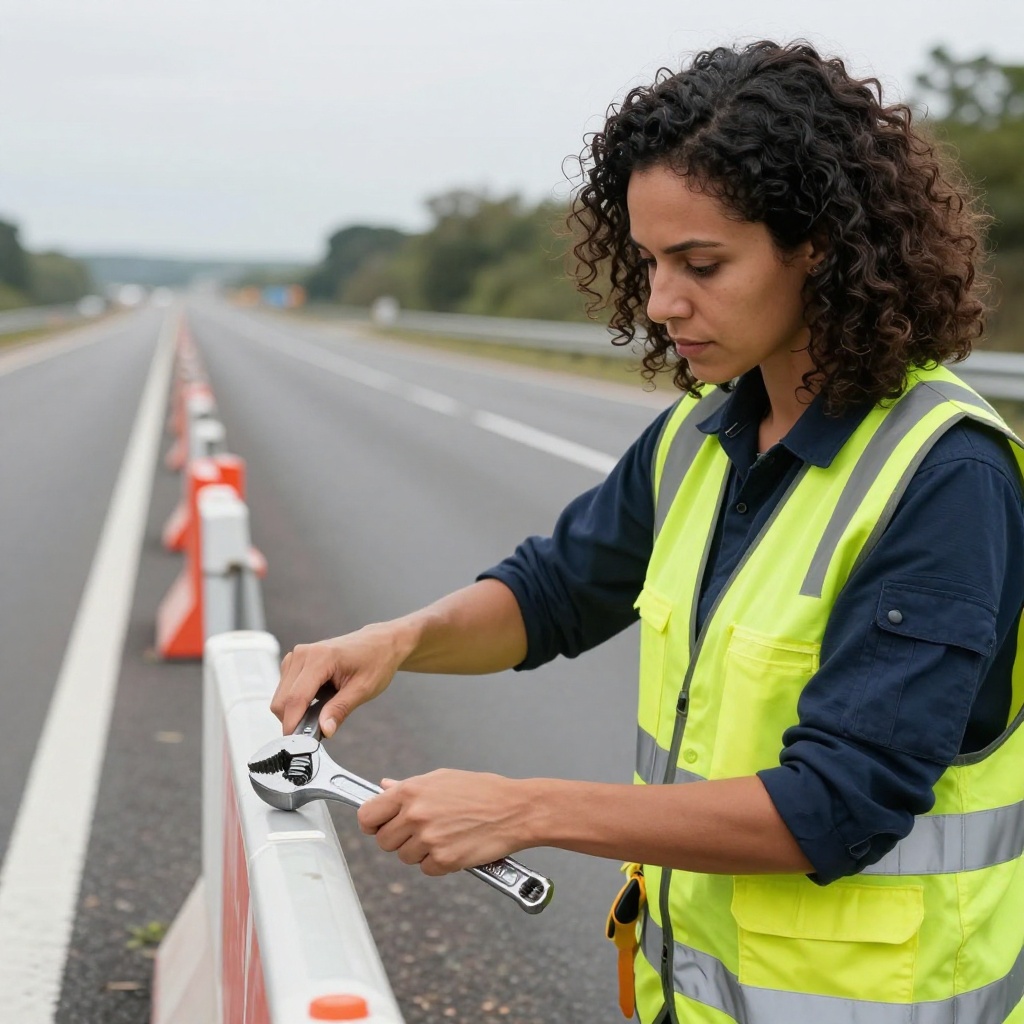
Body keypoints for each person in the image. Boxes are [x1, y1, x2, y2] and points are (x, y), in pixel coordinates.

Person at [272, 40, 1024, 1024]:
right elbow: (551, 595)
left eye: (700, 263)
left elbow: (838, 804)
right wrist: (398, 641)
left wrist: (522, 808)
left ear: (821, 248)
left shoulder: (946, 478)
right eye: (650, 261)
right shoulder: (697, 435)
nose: (662, 301)